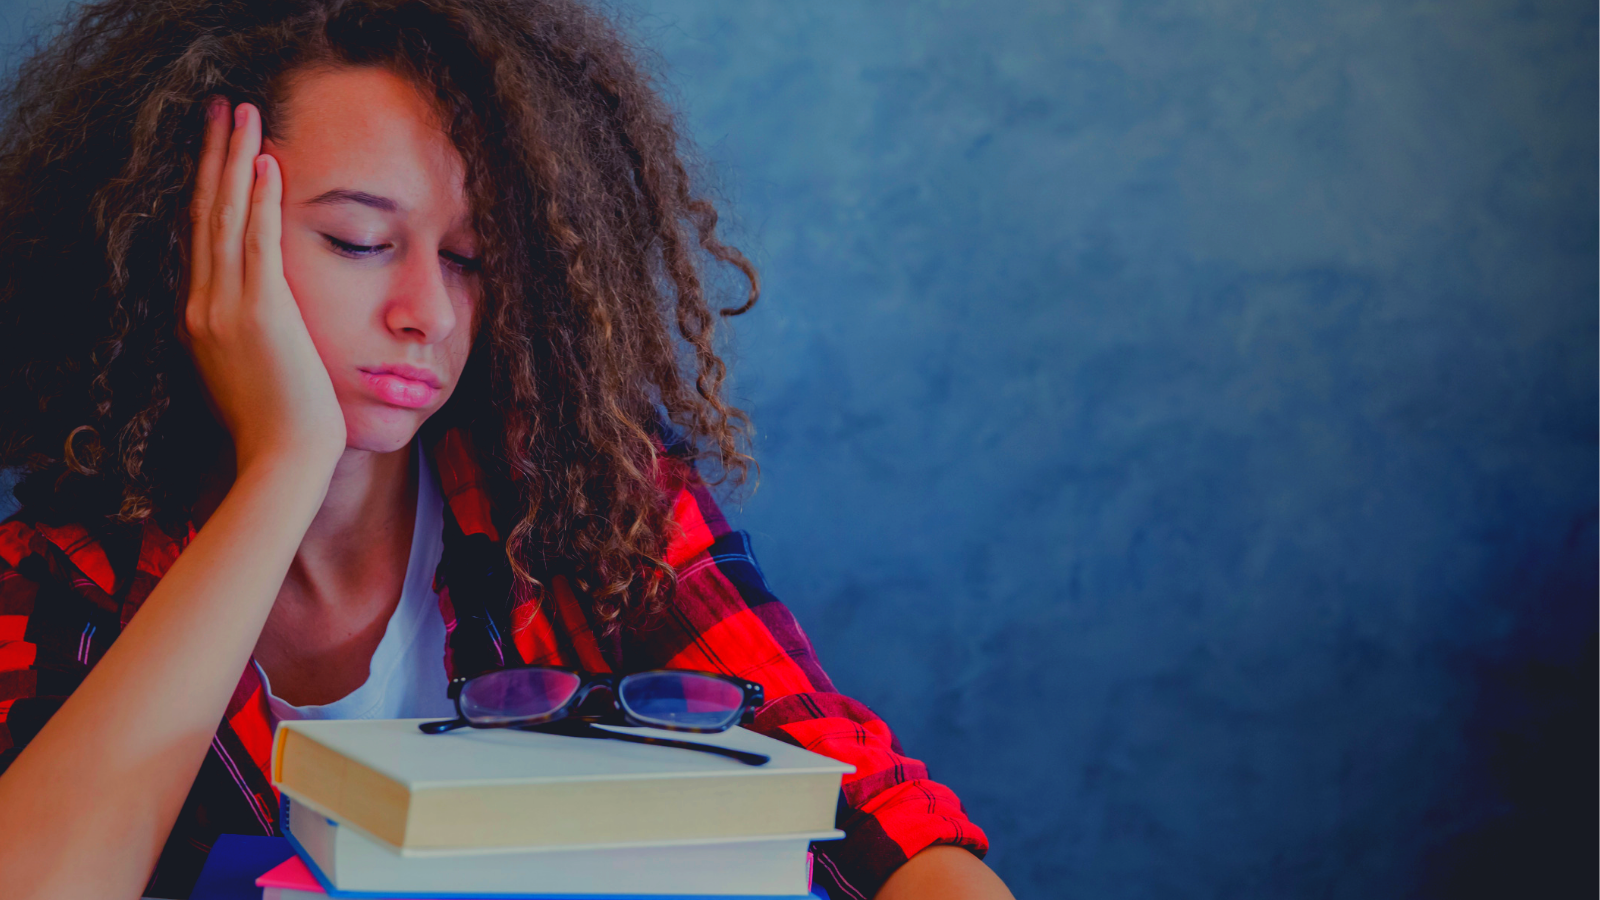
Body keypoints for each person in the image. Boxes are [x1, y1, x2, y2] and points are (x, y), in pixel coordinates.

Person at [0, 2, 1014, 899]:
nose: (426, 313)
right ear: (197, 234)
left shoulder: (584, 498)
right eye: (357, 242)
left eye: (470, 259)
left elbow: (857, 802)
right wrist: (285, 463)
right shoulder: (58, 569)